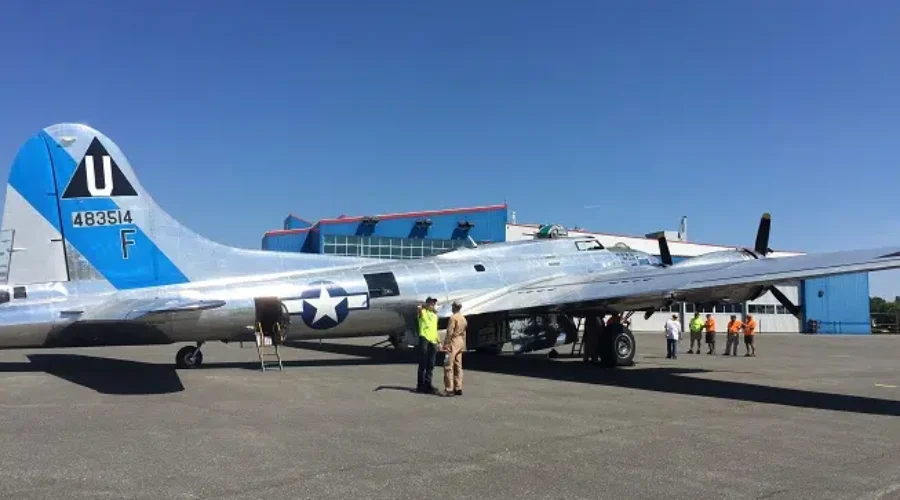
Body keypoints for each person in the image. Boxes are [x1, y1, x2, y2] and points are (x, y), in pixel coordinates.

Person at [416, 297, 441, 394]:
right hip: (424, 339)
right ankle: (420, 385)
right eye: (431, 303)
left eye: (434, 303)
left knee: (431, 364)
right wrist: (424, 306)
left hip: (433, 340)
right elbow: (419, 308)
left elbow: (435, 329)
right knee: (423, 363)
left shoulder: (435, 316)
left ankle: (428, 384)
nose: (432, 305)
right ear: (427, 304)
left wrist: (439, 341)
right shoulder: (423, 312)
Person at [442, 302, 467, 396]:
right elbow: (464, 333)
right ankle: (458, 387)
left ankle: (449, 388)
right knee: (458, 365)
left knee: (448, 364)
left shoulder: (453, 318)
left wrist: (446, 343)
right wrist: (463, 345)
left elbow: (450, 331)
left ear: (454, 307)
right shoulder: (463, 318)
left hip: (454, 341)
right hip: (460, 341)